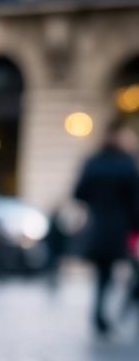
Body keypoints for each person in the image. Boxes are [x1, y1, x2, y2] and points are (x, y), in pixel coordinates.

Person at [72, 119, 139, 335]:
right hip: (122, 226)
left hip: (98, 223)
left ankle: (100, 313)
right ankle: (122, 310)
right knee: (128, 269)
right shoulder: (127, 163)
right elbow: (134, 199)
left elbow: (79, 192)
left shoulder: (93, 161)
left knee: (103, 272)